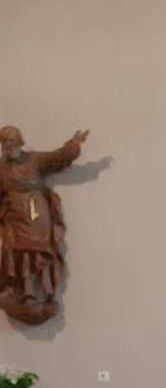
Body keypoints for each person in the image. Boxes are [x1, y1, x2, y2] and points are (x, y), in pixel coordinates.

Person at [0, 124, 88, 323]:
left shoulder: (34, 159)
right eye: (4, 142)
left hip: (36, 212)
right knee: (15, 251)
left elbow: (57, 158)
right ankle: (21, 291)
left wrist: (74, 144)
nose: (7, 146)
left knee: (38, 249)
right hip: (13, 215)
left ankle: (42, 292)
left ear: (20, 142)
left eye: (11, 141)